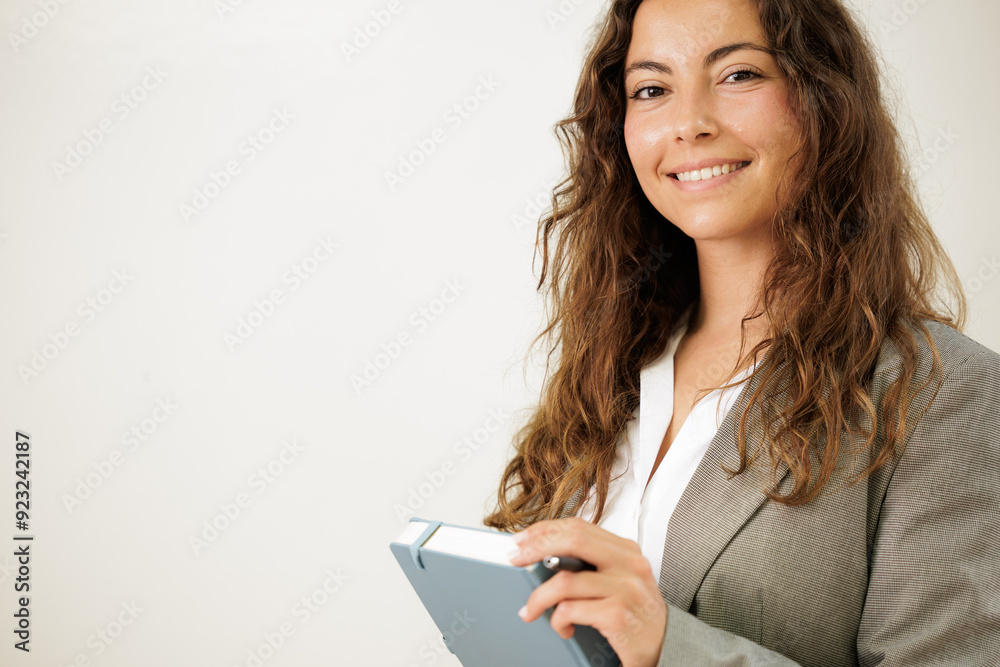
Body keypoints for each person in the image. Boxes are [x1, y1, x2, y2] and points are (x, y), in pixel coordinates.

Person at [484, 0, 1000, 664]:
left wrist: (671, 644)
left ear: (824, 101)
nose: (689, 123)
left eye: (739, 75)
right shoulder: (610, 367)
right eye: (652, 89)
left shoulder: (941, 393)